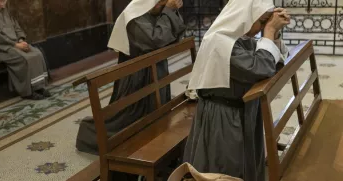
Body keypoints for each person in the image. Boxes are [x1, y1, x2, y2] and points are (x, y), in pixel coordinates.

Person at [184, 0, 290, 180]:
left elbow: (271, 62)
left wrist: (275, 34)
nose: (262, 27)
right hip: (224, 118)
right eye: (262, 21)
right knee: (226, 169)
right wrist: (269, 32)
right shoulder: (220, 42)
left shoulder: (240, 38)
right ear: (245, 16)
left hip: (241, 110)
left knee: (244, 164)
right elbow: (261, 67)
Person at [75, 0, 186, 155]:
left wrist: (171, 11)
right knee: (127, 121)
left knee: (155, 116)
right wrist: (168, 11)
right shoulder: (133, 16)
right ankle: (88, 134)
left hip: (156, 72)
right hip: (137, 80)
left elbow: (176, 36)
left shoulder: (157, 13)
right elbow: (155, 40)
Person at [0, 0, 51, 100]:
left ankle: (39, 87)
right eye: (1, 1)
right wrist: (16, 45)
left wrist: (21, 39)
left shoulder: (4, 11)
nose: (3, 4)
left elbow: (16, 27)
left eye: (5, 1)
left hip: (15, 44)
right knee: (24, 58)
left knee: (37, 53)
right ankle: (27, 92)